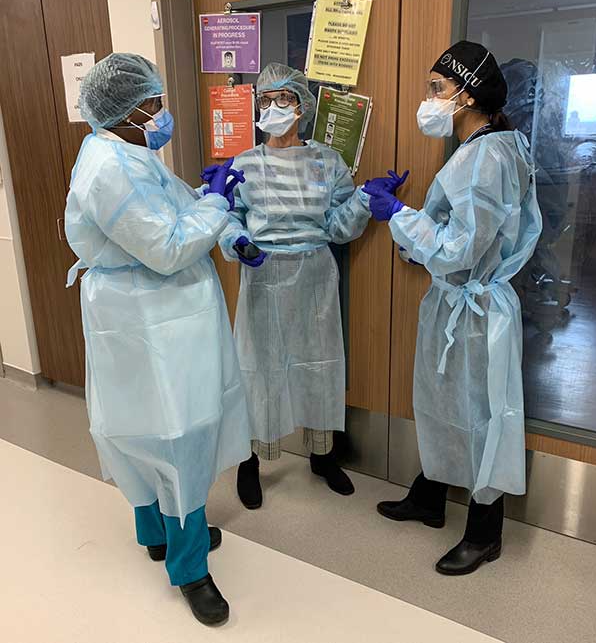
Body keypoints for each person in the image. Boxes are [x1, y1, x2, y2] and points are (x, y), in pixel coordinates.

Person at [64, 53, 251, 625]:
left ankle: (157, 532)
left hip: (144, 315)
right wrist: (218, 202)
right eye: (154, 102)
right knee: (178, 430)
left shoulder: (124, 151)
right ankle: (191, 568)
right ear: (129, 108)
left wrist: (203, 193)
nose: (161, 111)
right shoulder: (110, 168)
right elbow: (167, 247)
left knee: (137, 423)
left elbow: (162, 209)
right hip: (152, 317)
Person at [364, 41, 542, 575]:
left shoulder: (485, 156)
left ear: (468, 96)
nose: (430, 99)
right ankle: (429, 495)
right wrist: (414, 216)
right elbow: (463, 232)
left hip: (476, 307)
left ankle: (486, 533)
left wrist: (399, 215)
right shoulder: (483, 149)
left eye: (437, 89)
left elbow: (460, 250)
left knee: (483, 417)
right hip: (460, 304)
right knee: (445, 402)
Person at [218, 63, 380, 509]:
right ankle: (250, 461)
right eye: (265, 100)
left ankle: (323, 458)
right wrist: (238, 242)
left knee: (319, 364)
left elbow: (338, 225)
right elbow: (227, 217)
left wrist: (365, 200)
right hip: (262, 274)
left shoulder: (327, 161)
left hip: (314, 276)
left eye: (283, 99)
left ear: (302, 106)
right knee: (257, 369)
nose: (273, 108)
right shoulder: (244, 164)